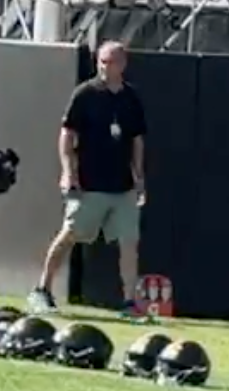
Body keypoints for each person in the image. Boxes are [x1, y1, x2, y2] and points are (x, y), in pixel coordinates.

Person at [29, 41, 147, 318]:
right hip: (88, 183)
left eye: (111, 62)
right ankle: (42, 290)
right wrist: (68, 171)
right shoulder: (85, 94)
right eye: (102, 62)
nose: (105, 68)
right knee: (70, 233)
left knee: (128, 242)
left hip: (122, 186)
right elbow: (67, 135)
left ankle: (129, 303)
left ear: (123, 64)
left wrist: (139, 176)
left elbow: (137, 140)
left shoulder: (131, 98)